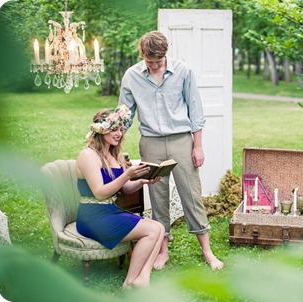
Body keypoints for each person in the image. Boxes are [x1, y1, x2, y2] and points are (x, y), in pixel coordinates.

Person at [118, 30, 223, 270]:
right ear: (142, 55)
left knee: (192, 195)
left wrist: (198, 146)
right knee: (157, 197)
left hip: (181, 141)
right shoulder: (132, 76)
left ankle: (207, 251)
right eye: (150, 62)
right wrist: (114, 138)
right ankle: (162, 251)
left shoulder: (183, 71)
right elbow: (125, 114)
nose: (154, 66)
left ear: (166, 55)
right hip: (151, 142)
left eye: (159, 61)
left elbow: (196, 112)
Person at [76, 104, 165, 289]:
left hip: (109, 212)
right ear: (101, 130)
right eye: (114, 129)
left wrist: (143, 182)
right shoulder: (88, 155)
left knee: (159, 228)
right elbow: (100, 193)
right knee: (153, 230)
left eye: (121, 129)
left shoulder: (112, 154)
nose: (119, 133)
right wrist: (127, 174)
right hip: (92, 217)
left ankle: (143, 278)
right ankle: (130, 281)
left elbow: (125, 189)